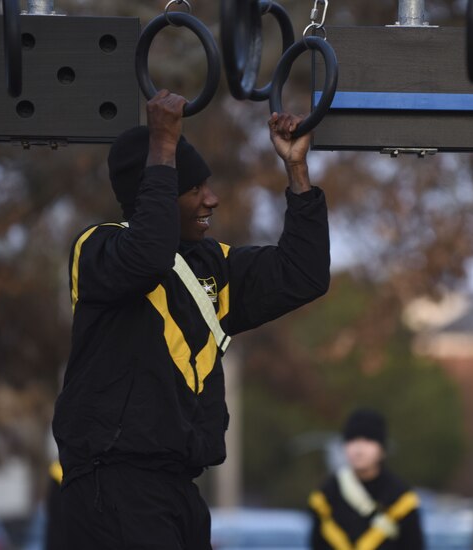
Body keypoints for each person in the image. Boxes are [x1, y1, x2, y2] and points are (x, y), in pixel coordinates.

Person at [52, 89, 330, 549]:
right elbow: (149, 257)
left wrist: (296, 170)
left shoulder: (211, 265)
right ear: (153, 191)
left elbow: (303, 275)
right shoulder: (98, 250)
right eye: (195, 188)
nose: (213, 199)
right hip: (114, 484)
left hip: (179, 487)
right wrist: (162, 143)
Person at [308, 408, 425, 550]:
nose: (359, 449)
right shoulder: (325, 496)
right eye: (352, 440)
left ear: (382, 449)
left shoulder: (401, 497)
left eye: (368, 441)